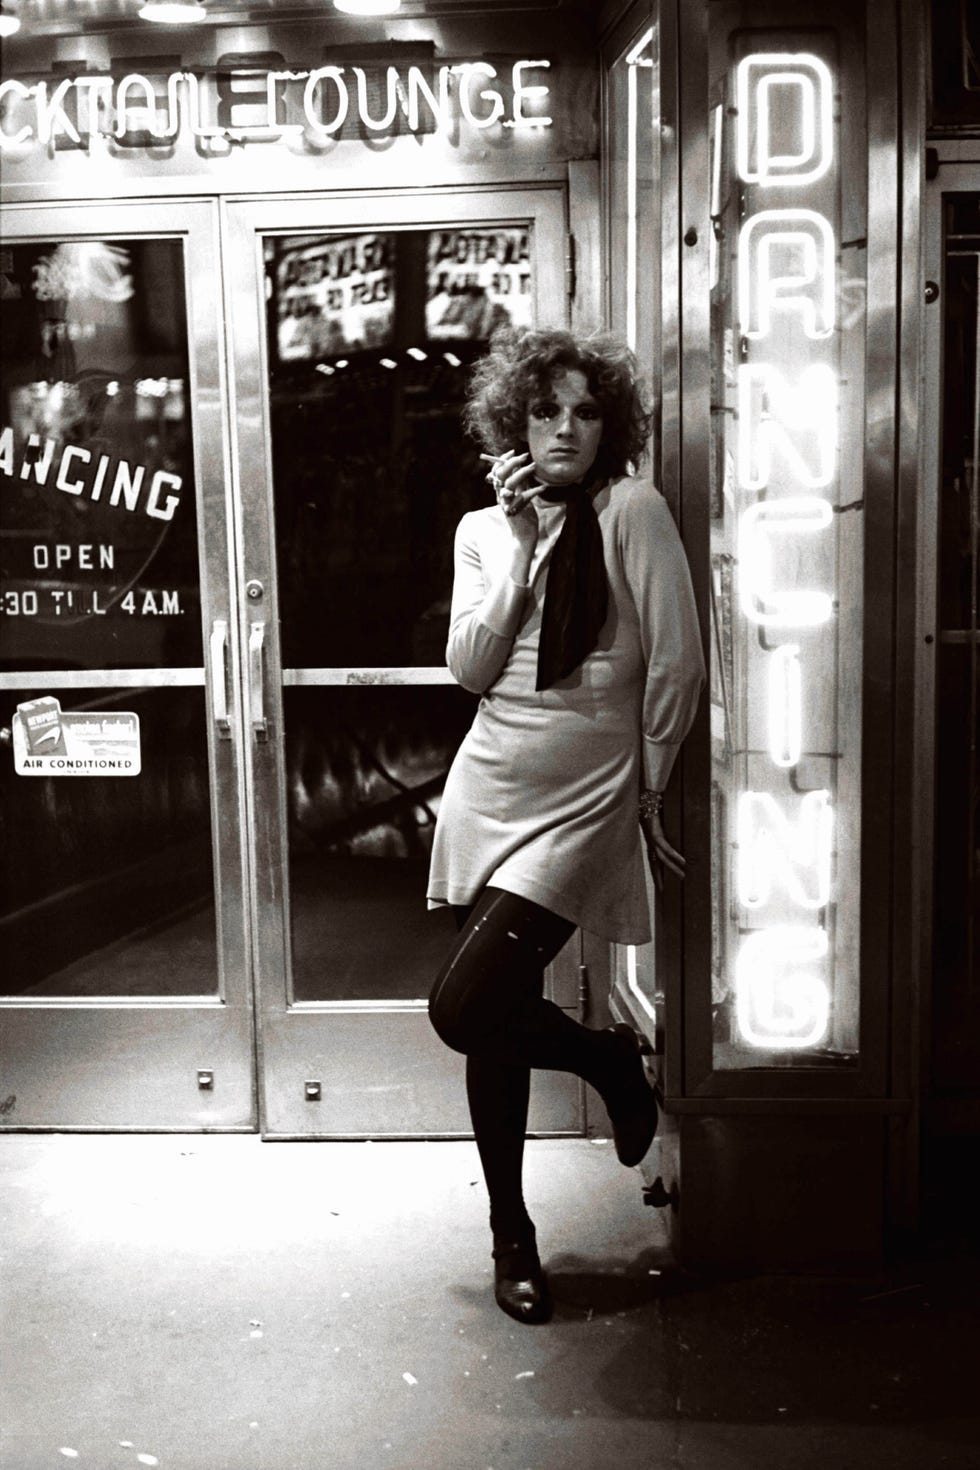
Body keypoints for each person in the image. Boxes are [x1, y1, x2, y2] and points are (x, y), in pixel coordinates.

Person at [426, 327, 704, 1325]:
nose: (564, 429)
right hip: (491, 775)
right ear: (514, 421)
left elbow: (673, 661)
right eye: (545, 410)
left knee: (460, 1007)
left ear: (609, 424)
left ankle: (605, 1062)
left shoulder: (633, 509)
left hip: (587, 782)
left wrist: (652, 786)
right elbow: (468, 668)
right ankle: (512, 1234)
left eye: (585, 411)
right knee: (490, 1023)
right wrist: (520, 551)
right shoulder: (479, 528)